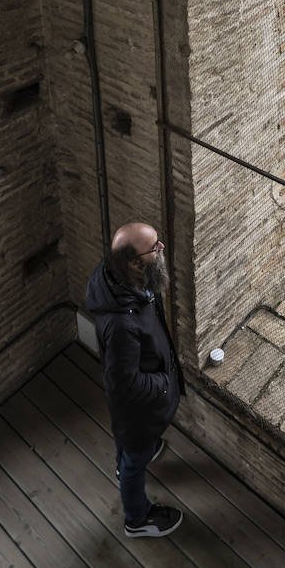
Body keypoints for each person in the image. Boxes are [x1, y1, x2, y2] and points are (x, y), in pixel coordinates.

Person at [86, 221, 185, 537]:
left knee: (131, 444)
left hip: (137, 412)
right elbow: (124, 385)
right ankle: (137, 519)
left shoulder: (127, 281)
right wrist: (164, 383)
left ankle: (129, 457)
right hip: (140, 410)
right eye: (154, 248)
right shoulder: (121, 326)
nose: (161, 249)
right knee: (134, 459)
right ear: (133, 262)